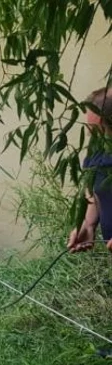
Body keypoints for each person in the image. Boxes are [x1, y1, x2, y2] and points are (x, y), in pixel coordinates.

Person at [67, 86, 112, 253]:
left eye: (100, 130)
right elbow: (93, 187)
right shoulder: (97, 148)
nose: (89, 131)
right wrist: (88, 223)